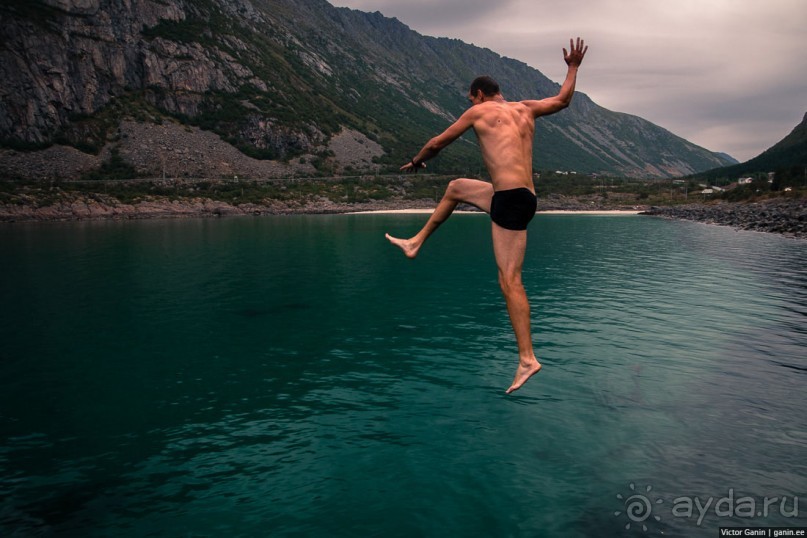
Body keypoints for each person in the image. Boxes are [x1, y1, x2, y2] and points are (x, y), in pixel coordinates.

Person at [386, 37, 588, 394]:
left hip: (510, 202)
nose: (470, 103)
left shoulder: (478, 112)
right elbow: (562, 99)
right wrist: (572, 67)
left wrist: (417, 161)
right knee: (456, 188)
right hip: (520, 195)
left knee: (509, 281)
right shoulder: (526, 109)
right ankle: (415, 242)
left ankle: (527, 358)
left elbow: (436, 143)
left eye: (470, 98)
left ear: (479, 95)